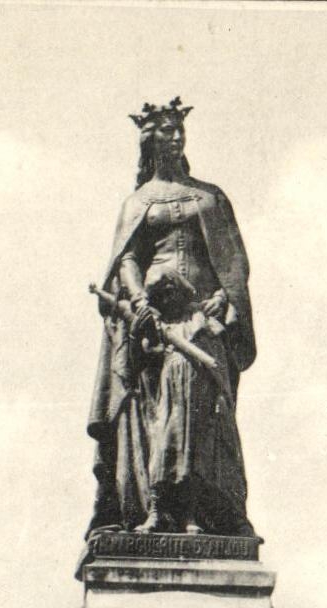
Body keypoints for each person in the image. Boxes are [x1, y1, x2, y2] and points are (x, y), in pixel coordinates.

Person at [88, 98, 255, 537]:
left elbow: (234, 262)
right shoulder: (138, 202)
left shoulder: (210, 197)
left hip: (202, 322)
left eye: (180, 129)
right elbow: (127, 259)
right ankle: (158, 508)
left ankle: (204, 511)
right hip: (155, 327)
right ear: (150, 139)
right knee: (156, 412)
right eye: (167, 130)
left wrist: (224, 297)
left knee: (200, 408)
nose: (176, 136)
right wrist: (139, 300)